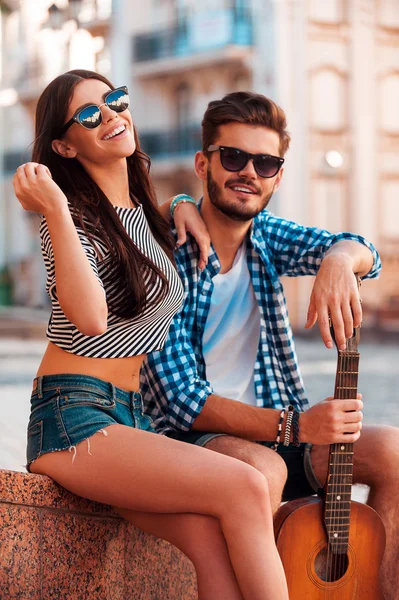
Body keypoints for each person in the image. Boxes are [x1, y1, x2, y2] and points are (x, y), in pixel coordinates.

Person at [13, 71, 290, 600]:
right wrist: (51, 206)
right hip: (73, 416)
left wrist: (180, 203)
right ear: (64, 146)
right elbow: (91, 319)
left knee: (211, 538)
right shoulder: (67, 220)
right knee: (245, 485)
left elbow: (137, 238)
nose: (113, 115)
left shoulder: (142, 215)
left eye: (115, 100)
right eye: (90, 114)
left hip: (131, 416)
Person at [141, 91, 399, 599]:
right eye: (233, 157)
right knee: (264, 467)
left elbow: (363, 249)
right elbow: (181, 402)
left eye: (265, 162)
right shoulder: (163, 252)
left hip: (282, 437)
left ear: (278, 175)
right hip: (184, 441)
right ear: (204, 163)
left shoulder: (267, 238)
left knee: (392, 450)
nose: (248, 173)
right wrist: (297, 425)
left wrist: (338, 262)